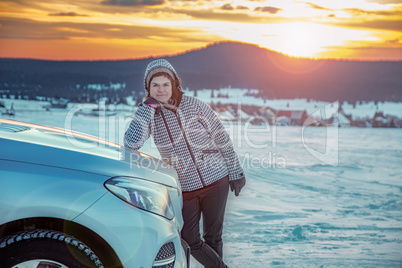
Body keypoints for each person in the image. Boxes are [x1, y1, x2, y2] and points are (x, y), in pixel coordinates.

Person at [124, 59, 246, 268]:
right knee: (189, 239)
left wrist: (235, 171)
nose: (161, 90)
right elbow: (131, 142)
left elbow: (221, 137)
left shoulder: (194, 105)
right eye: (155, 85)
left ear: (174, 84)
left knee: (213, 237)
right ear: (148, 88)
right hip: (186, 187)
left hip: (216, 180)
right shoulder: (149, 113)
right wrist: (147, 108)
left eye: (165, 84)